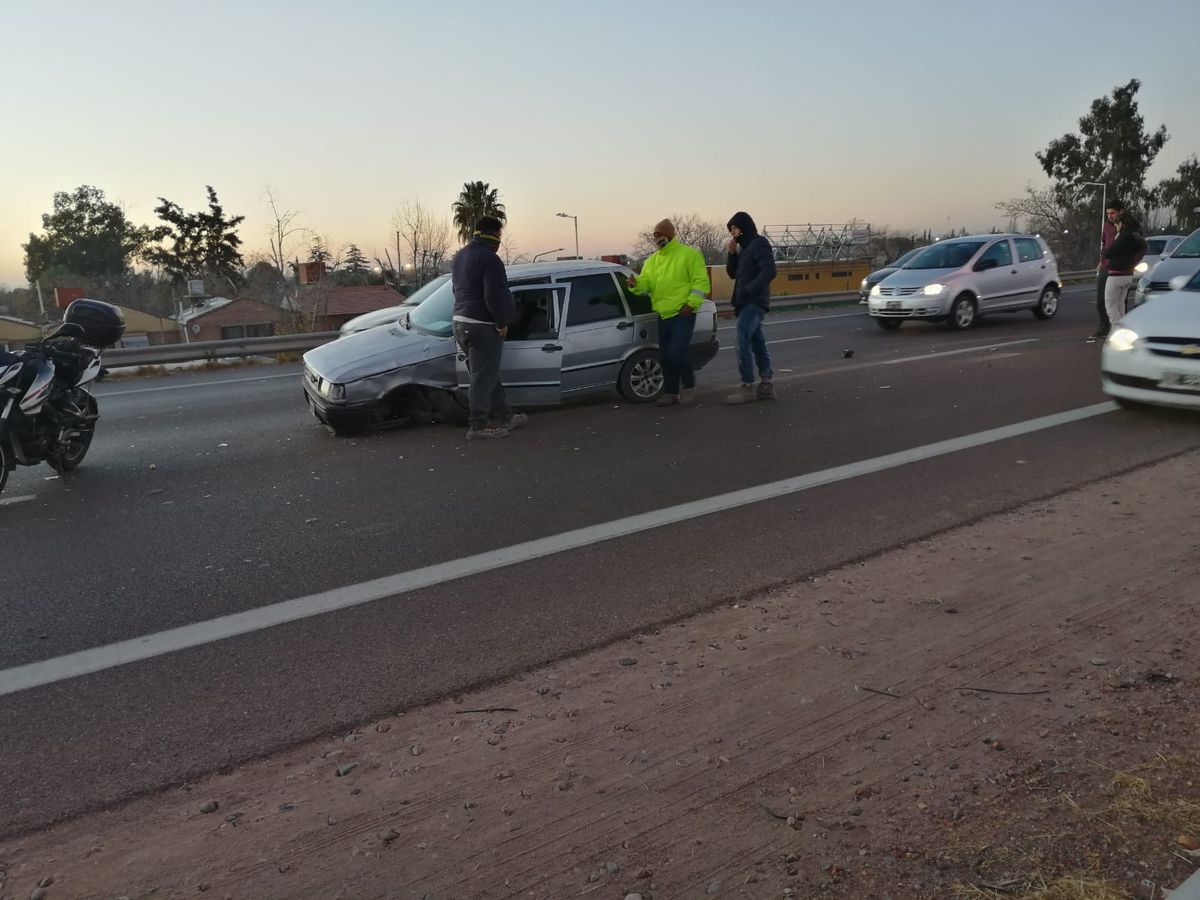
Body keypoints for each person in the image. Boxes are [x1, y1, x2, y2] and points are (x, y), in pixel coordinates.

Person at [451, 215, 526, 440]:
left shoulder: (460, 256)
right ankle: (478, 426)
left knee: (486, 373)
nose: (499, 241)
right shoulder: (490, 259)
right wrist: (502, 323)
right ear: (492, 234)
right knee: (483, 377)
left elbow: (456, 291)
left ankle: (505, 415)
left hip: (460, 322)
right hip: (483, 325)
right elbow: (493, 295)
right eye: (499, 235)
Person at [626, 219, 711, 407]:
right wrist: (636, 285)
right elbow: (646, 284)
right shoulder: (652, 261)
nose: (657, 238)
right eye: (654, 235)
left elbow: (701, 283)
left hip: (683, 313)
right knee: (665, 357)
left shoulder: (689, 255)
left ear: (670, 235)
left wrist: (691, 304)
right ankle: (671, 393)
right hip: (663, 314)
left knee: (676, 352)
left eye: (660, 234)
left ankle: (688, 386)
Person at [723, 211, 777, 404]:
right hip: (744, 302)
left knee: (742, 338)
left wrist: (748, 289)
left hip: (755, 302)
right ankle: (766, 383)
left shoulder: (759, 244)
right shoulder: (745, 249)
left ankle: (747, 385)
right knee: (757, 342)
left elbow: (769, 271)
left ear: (744, 226)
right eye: (731, 230)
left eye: (735, 228)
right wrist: (731, 254)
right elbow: (732, 273)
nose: (733, 233)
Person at [1100, 208, 1147, 332]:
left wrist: (1105, 250)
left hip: (1116, 275)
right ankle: (1124, 328)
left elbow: (1109, 253)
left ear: (1121, 223)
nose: (1115, 227)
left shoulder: (1124, 236)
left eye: (1116, 224)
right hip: (1128, 275)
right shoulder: (1135, 236)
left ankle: (1118, 331)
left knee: (1110, 306)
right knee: (1120, 305)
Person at [1093, 201, 1122, 338]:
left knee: (1117, 302)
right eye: (1108, 213)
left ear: (1120, 212)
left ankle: (1118, 329)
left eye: (1113, 213)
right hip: (1106, 267)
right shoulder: (1106, 226)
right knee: (1100, 301)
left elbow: (1139, 247)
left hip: (1120, 269)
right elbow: (1104, 245)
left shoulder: (1127, 227)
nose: (1110, 216)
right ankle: (1104, 326)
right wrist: (1101, 261)